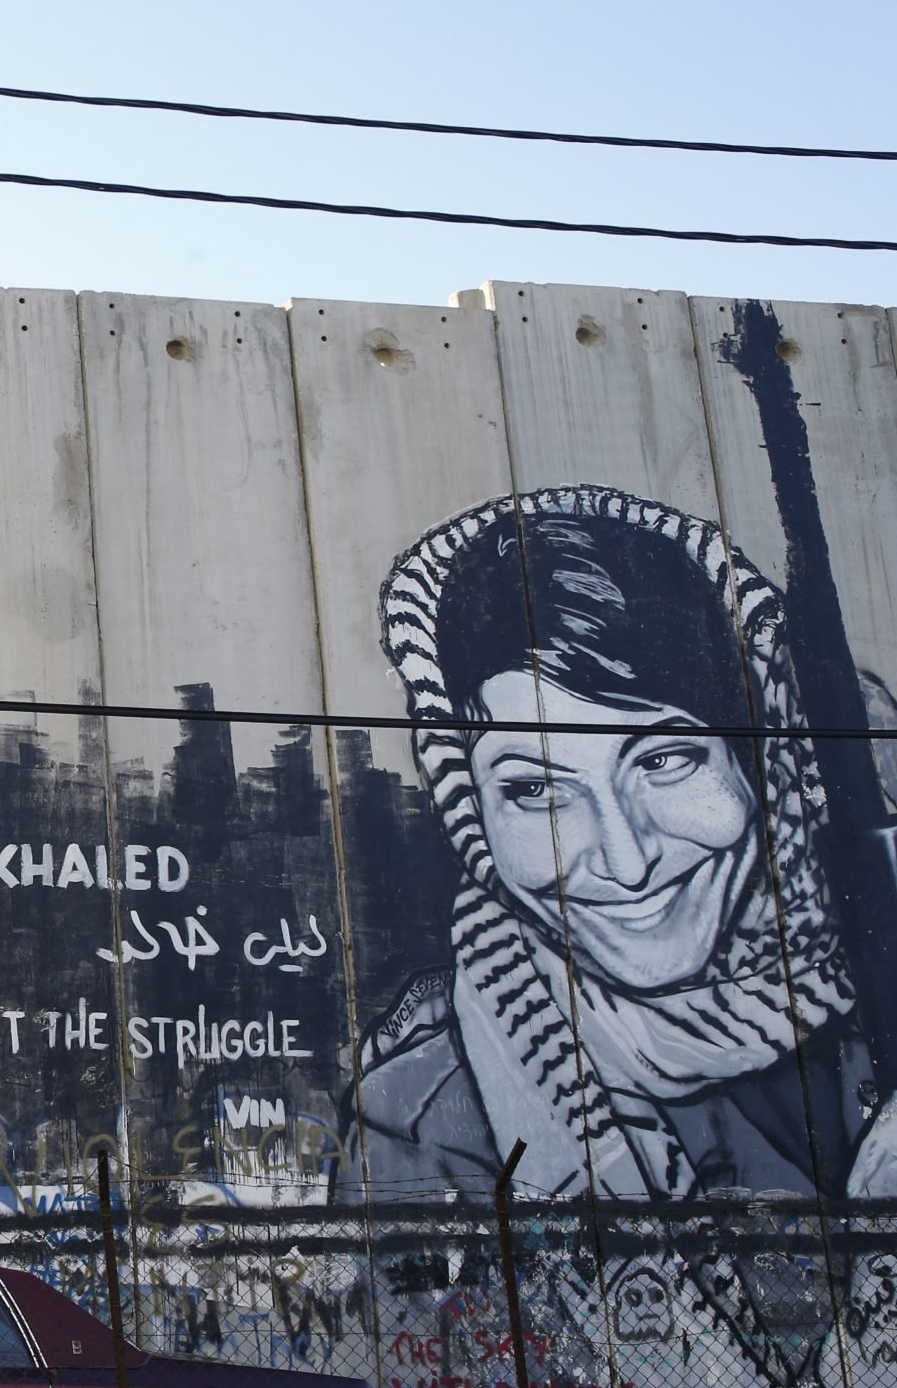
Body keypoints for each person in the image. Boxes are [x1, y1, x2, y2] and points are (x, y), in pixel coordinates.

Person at [359, 487, 885, 1203]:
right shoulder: (421, 1120)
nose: (627, 861)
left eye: (666, 759)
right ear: (471, 813)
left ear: (759, 763)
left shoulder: (873, 991)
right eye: (536, 790)